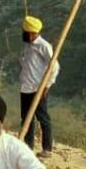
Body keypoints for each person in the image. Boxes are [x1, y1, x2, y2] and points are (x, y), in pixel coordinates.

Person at [19, 15, 58, 157]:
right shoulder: (28, 45)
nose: (23, 34)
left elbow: (54, 67)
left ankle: (47, 148)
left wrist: (47, 86)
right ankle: (28, 147)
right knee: (26, 118)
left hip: (37, 88)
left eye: (24, 32)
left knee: (42, 117)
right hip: (25, 87)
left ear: (31, 33)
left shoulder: (44, 46)